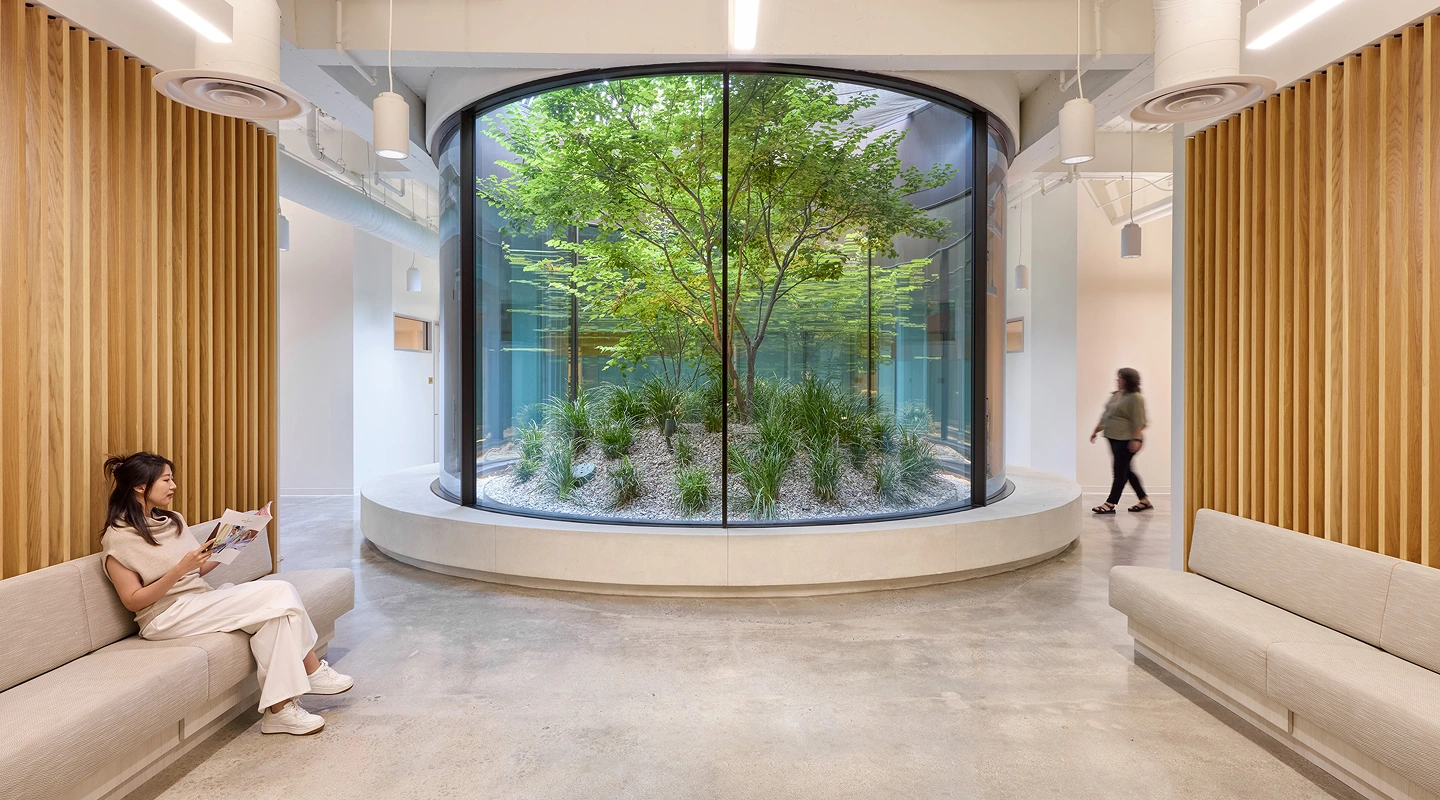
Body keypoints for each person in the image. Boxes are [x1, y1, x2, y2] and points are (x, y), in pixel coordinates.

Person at [100, 452, 352, 735]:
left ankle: (279, 712)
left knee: (276, 618)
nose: (173, 486)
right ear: (140, 486)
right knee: (281, 590)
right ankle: (312, 669)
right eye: (166, 480)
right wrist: (178, 569)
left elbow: (196, 570)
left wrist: (236, 541)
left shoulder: (173, 521)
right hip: (165, 616)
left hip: (198, 602)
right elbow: (133, 599)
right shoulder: (119, 537)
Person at [1088, 368, 1151, 514]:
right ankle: (1144, 500)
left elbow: (1139, 420)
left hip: (1126, 439)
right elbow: (1106, 415)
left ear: (1128, 381)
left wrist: (1136, 439)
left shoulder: (1135, 397)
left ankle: (1110, 503)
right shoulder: (1116, 395)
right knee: (1126, 471)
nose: (1118, 381)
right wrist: (1095, 431)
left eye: (1121, 379)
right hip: (1112, 437)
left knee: (1119, 472)